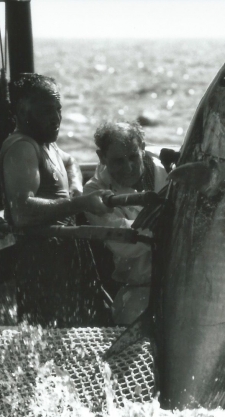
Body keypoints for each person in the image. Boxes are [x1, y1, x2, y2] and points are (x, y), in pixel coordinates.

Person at [0, 73, 114, 327]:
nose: (56, 118)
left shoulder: (47, 144)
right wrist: (81, 204)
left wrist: (75, 188)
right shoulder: (22, 147)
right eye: (46, 111)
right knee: (51, 339)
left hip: (66, 256)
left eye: (58, 109)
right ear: (20, 111)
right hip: (41, 266)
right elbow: (22, 211)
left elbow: (70, 161)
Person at [83, 121, 168, 325]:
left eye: (133, 157)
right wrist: (167, 221)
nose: (129, 167)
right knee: (132, 322)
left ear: (143, 148)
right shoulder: (94, 192)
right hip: (140, 287)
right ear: (102, 157)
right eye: (118, 161)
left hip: (185, 280)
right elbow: (124, 244)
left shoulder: (170, 168)